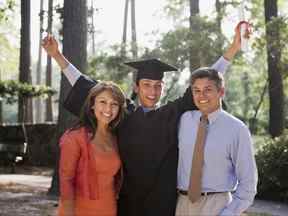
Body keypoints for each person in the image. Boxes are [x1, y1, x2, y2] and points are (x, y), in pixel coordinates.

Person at [42, 23, 242, 216]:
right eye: (146, 84)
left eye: (158, 85)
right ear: (136, 87)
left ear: (163, 88)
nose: (153, 91)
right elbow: (87, 86)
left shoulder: (172, 114)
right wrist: (57, 56)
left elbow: (206, 82)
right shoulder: (123, 114)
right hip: (128, 205)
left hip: (162, 206)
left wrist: (232, 49)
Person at [176, 68, 258, 215]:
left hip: (216, 205)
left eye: (208, 90)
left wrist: (230, 212)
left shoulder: (237, 129)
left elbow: (248, 182)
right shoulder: (184, 120)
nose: (202, 96)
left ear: (221, 92)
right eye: (197, 90)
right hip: (182, 204)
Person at [58, 81, 126, 216]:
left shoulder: (116, 137)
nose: (108, 109)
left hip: (109, 209)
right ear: (92, 105)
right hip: (80, 210)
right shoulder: (74, 137)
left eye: (114, 104)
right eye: (103, 102)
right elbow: (66, 180)